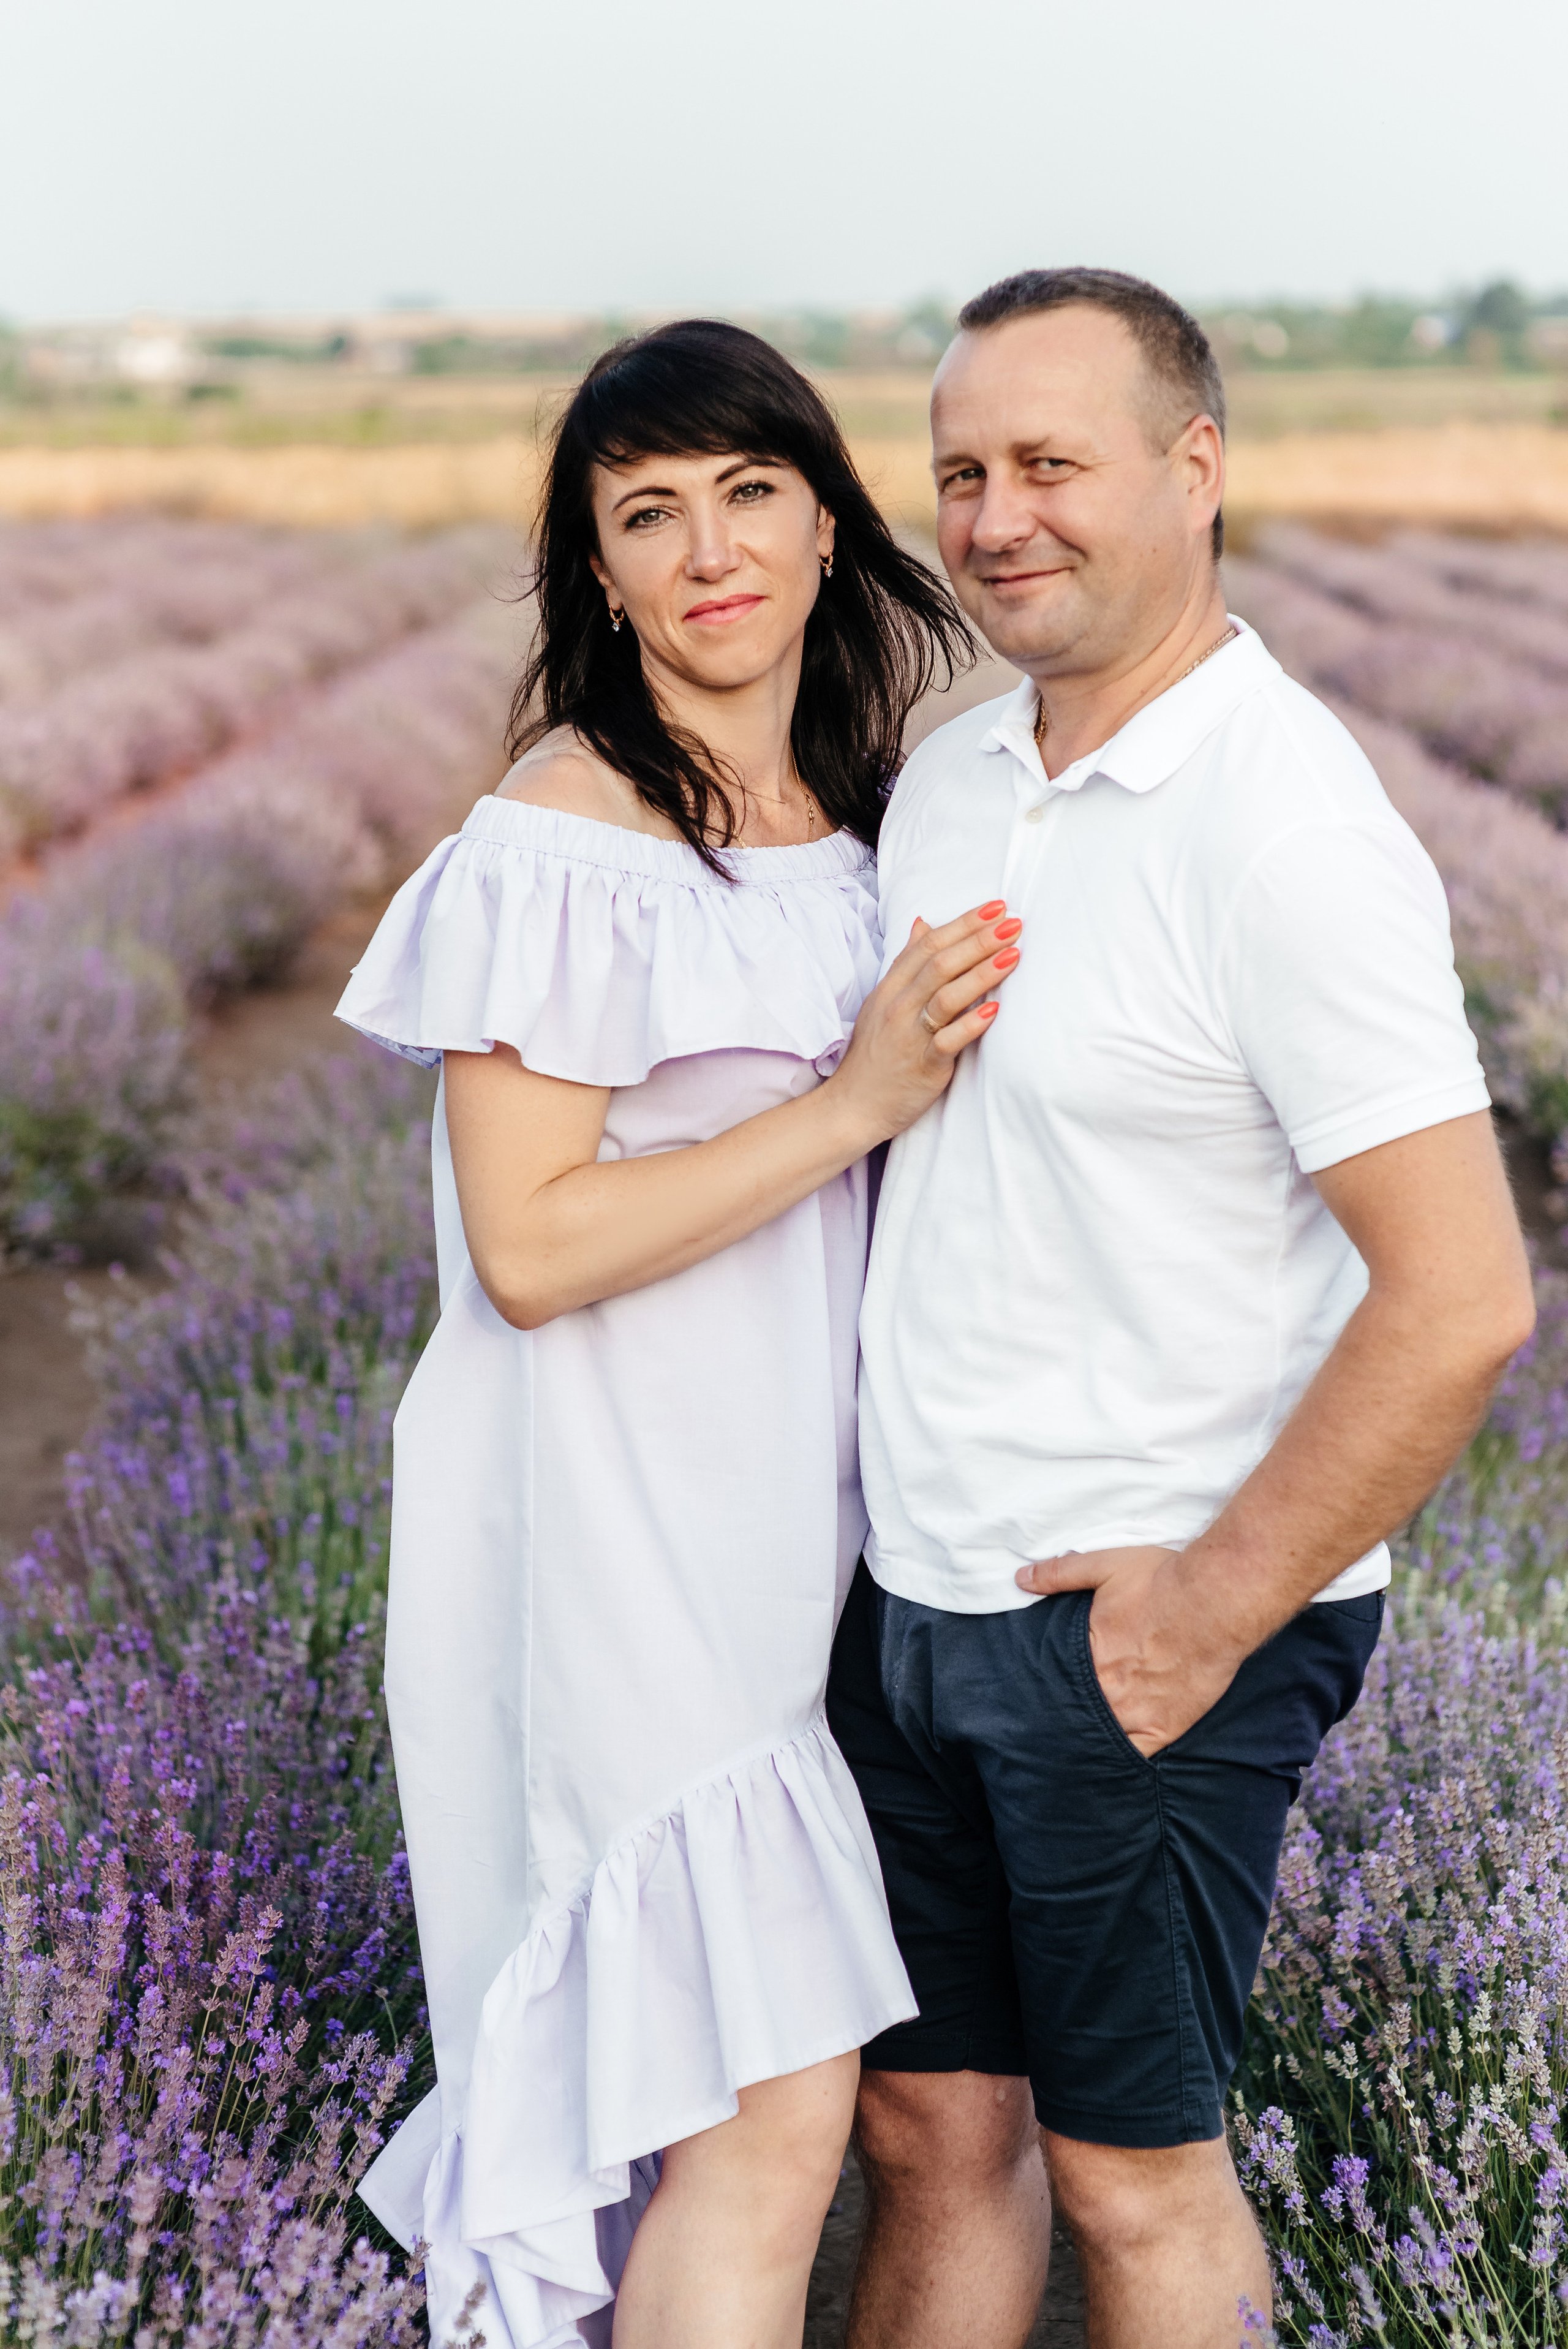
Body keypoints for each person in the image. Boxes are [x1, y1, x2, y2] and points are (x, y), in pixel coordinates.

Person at [829, 267, 1537, 2348]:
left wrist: (1208, 1612)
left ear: (1196, 469)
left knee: (1140, 2186)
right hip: (920, 1596)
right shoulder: (958, 780)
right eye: (963, 471)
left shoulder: (1287, 828)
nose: (996, 516)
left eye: (1053, 463)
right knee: (929, 2137)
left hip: (1136, 1623)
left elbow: (1465, 1295)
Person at [335, 318, 1020, 2349]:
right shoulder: (567, 832)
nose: (709, 548)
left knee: (750, 2116)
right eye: (650, 513)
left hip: (797, 1536)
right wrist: (853, 1102)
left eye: (747, 491)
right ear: (600, 572)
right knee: (758, 2110)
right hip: (615, 1530)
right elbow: (529, 1246)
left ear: (827, 522)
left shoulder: (857, 814)